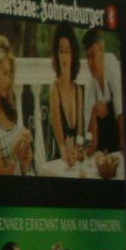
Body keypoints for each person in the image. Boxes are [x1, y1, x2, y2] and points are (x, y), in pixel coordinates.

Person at [0, 34, 35, 176]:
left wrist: (26, 157)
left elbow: (22, 167)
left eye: (10, 75)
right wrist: (16, 151)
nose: (9, 81)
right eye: (5, 74)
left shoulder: (8, 108)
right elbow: (1, 175)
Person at [41, 27, 87, 172]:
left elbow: (79, 138)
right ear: (57, 55)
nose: (64, 56)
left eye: (67, 51)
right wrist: (69, 156)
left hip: (74, 160)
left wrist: (77, 153)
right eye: (61, 51)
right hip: (58, 162)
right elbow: (61, 146)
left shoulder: (78, 91)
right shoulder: (54, 90)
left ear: (73, 55)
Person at [81, 30, 123, 178]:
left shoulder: (111, 63)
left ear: (101, 49)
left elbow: (120, 109)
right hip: (104, 153)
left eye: (93, 55)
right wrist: (94, 114)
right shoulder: (90, 85)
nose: (90, 63)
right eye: (87, 57)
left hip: (120, 143)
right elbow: (90, 144)